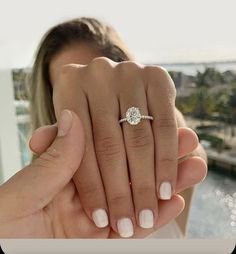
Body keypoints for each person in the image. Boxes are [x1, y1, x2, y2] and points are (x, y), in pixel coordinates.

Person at [0, 17, 207, 238]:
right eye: (67, 92)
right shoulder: (37, 206)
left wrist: (157, 104)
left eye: (103, 82)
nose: (90, 99)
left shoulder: (169, 167)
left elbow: (185, 142)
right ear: (50, 102)